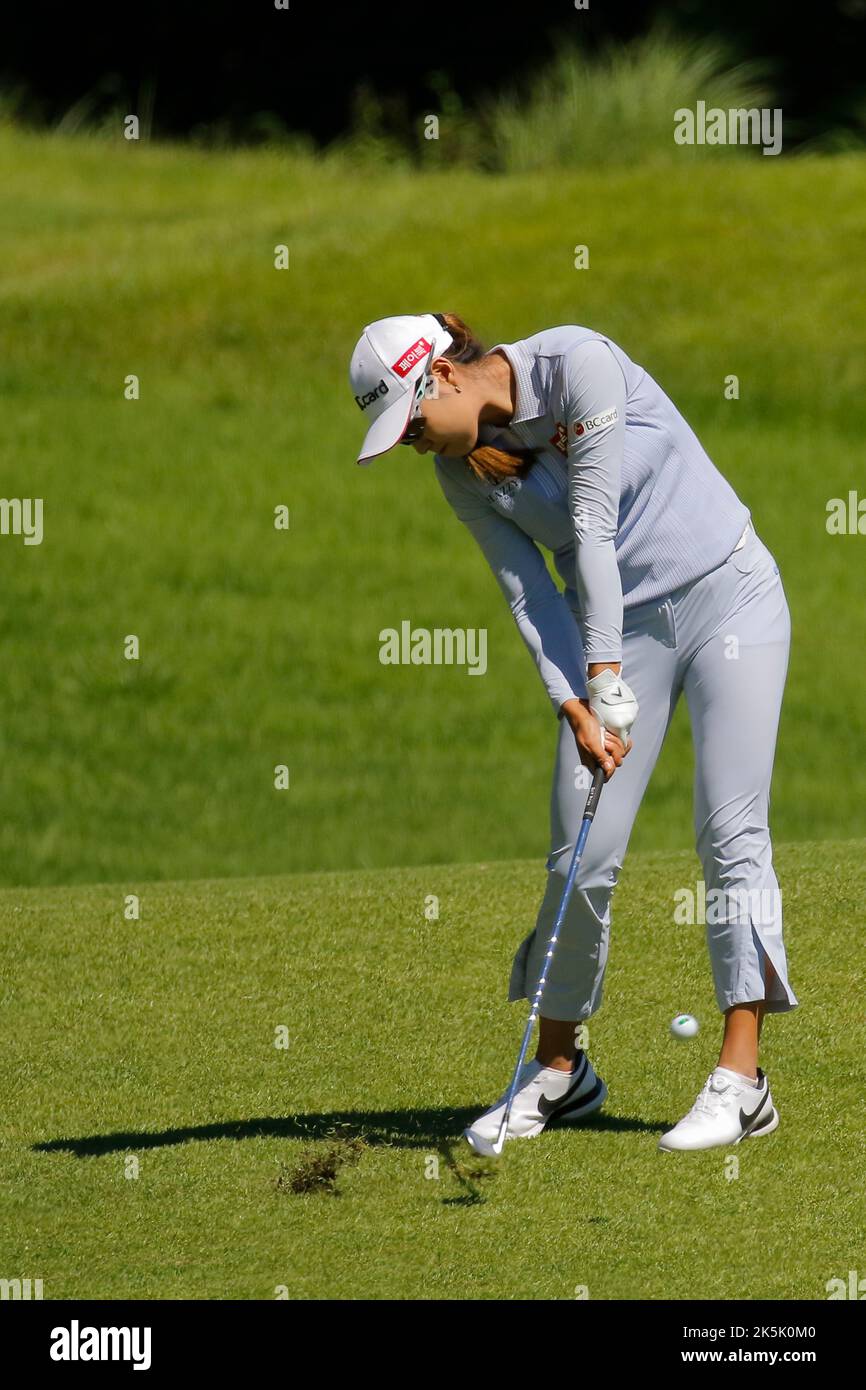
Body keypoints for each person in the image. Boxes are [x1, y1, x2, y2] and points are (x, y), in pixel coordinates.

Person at [348, 311, 797, 1153]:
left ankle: (743, 1081)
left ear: (441, 377)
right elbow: (530, 596)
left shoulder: (576, 364)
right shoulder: (463, 475)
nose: (412, 445)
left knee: (730, 829)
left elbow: (592, 528)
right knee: (581, 851)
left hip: (728, 595)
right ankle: (561, 1071)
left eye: (410, 424)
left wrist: (603, 677)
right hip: (617, 644)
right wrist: (580, 704)